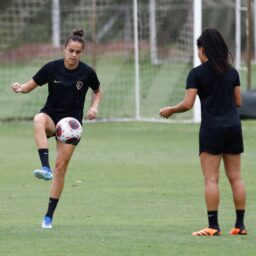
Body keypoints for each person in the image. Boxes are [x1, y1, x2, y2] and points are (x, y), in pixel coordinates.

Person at [159, 28, 247, 236]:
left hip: (212, 129)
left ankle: (213, 226)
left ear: (203, 49)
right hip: (234, 127)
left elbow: (188, 104)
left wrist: (172, 109)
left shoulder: (197, 73)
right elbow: (238, 102)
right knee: (236, 178)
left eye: (198, 49)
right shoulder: (232, 72)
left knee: (211, 179)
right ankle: (240, 225)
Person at [11, 28, 102, 229]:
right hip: (52, 119)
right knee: (38, 119)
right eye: (70, 50)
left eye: (78, 52)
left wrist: (94, 107)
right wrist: (20, 88)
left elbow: (97, 91)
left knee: (61, 169)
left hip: (71, 126)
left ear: (82, 53)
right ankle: (44, 167)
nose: (73, 55)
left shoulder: (87, 72)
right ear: (64, 49)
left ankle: (48, 217)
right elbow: (28, 86)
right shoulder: (51, 68)